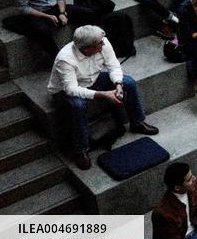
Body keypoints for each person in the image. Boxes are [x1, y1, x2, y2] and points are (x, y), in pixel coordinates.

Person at [48, 25, 158, 169]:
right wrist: (104, 95)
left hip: (92, 79)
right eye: (99, 44)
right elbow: (71, 89)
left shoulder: (103, 42)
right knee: (78, 105)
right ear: (87, 48)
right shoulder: (65, 59)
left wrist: (118, 84)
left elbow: (114, 66)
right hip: (65, 90)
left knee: (128, 83)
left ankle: (138, 122)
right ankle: (81, 149)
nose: (103, 44)